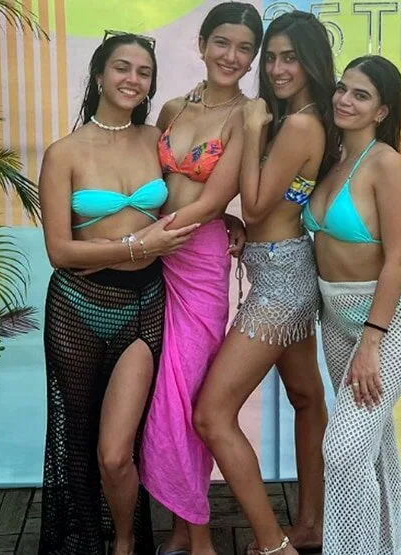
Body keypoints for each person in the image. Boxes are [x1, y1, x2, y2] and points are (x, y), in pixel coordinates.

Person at [36, 31, 199, 555]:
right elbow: (59, 251)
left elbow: (194, 195)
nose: (133, 79)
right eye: (122, 68)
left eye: (143, 72)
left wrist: (230, 223)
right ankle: (88, 540)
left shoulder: (158, 141)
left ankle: (125, 543)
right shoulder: (64, 153)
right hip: (76, 309)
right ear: (99, 75)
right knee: (79, 440)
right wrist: (136, 245)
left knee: (115, 452)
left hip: (142, 306)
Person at [194, 10, 335, 555]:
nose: (276, 68)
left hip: (280, 283)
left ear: (311, 62)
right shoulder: (300, 117)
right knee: (306, 397)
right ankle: (311, 525)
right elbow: (267, 209)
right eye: (271, 57)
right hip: (286, 265)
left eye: (289, 58)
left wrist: (252, 129)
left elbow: (254, 206)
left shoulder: (297, 125)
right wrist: (233, 221)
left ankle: (273, 544)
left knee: (211, 414)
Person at [137, 3, 258, 554]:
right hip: (152, 262)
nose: (232, 56)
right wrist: (136, 244)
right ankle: (182, 527)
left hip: (199, 265)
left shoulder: (246, 117)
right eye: (223, 43)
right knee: (158, 395)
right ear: (203, 44)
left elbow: (211, 200)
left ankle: (202, 538)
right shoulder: (171, 109)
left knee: (183, 396)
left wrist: (148, 238)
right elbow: (149, 186)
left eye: (244, 48)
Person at [309, 55, 401, 555]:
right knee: (372, 444)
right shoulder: (329, 161)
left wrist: (372, 342)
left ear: (382, 111)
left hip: (385, 323)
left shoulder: (386, 164)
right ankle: (388, 544)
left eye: (361, 95)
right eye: (342, 88)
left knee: (344, 451)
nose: (345, 100)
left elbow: (398, 259)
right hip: (335, 319)